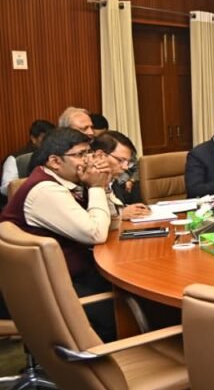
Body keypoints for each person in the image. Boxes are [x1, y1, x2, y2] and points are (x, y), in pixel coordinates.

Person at [0, 128, 117, 340]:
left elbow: (110, 221)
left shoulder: (66, 183)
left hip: (60, 275)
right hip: (48, 288)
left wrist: (104, 186)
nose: (89, 161)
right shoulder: (46, 190)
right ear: (55, 161)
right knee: (127, 305)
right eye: (80, 154)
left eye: (89, 153)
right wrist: (96, 187)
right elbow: (96, 233)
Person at [92, 131, 150, 219]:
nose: (125, 167)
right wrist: (120, 214)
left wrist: (127, 209)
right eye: (120, 160)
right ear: (100, 155)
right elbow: (89, 220)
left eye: (128, 162)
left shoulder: (113, 182)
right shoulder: (85, 185)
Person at [1, 119, 54, 200]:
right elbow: (6, 188)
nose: (48, 142)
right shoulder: (15, 159)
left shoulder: (55, 154)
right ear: (33, 138)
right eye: (44, 138)